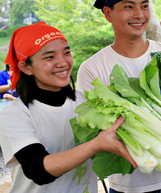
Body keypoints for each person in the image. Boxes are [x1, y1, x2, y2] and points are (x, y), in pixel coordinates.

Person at [77, 0, 161, 193]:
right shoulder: (92, 69)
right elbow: (96, 129)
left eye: (144, 6)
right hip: (129, 186)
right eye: (128, 7)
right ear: (108, 14)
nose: (139, 15)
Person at [0, 21, 136, 193]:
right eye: (50, 57)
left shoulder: (87, 101)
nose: (63, 62)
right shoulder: (14, 115)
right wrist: (96, 145)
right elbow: (37, 170)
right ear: (26, 67)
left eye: (66, 53)